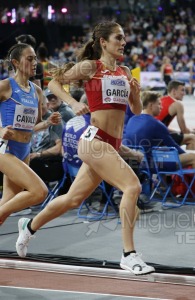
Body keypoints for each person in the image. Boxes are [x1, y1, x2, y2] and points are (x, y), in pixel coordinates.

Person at [16, 21, 155, 275]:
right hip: (94, 141)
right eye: (118, 38)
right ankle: (129, 254)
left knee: (73, 198)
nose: (123, 42)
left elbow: (136, 111)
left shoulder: (125, 71)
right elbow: (53, 83)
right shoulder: (93, 67)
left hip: (110, 145)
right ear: (103, 42)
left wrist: (135, 94)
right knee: (132, 186)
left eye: (124, 38)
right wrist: (71, 102)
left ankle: (30, 226)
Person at [0, 43, 61, 225]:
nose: (35, 62)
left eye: (35, 58)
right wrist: (1, 130)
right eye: (29, 58)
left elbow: (33, 125)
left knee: (7, 203)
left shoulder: (37, 91)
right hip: (6, 149)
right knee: (39, 192)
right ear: (16, 63)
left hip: (24, 149)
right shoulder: (5, 86)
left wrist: (48, 123)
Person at [124, 91, 195, 169]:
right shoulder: (156, 124)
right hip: (150, 164)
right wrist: (186, 156)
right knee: (192, 157)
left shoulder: (132, 120)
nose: (161, 107)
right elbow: (174, 148)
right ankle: (185, 180)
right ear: (151, 105)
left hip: (134, 163)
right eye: (159, 104)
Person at [29, 95, 64, 183]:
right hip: (33, 159)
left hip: (50, 163)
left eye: (41, 104)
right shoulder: (31, 119)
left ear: (47, 105)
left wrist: (39, 154)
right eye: (36, 105)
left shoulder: (55, 121)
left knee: (30, 165)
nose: (38, 107)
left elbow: (59, 149)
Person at [156, 80, 195, 150]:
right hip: (157, 139)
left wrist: (176, 132)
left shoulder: (161, 99)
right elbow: (184, 131)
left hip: (150, 136)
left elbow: (160, 124)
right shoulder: (177, 105)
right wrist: (192, 132)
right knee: (192, 138)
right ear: (173, 91)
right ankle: (189, 160)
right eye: (182, 90)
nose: (184, 94)